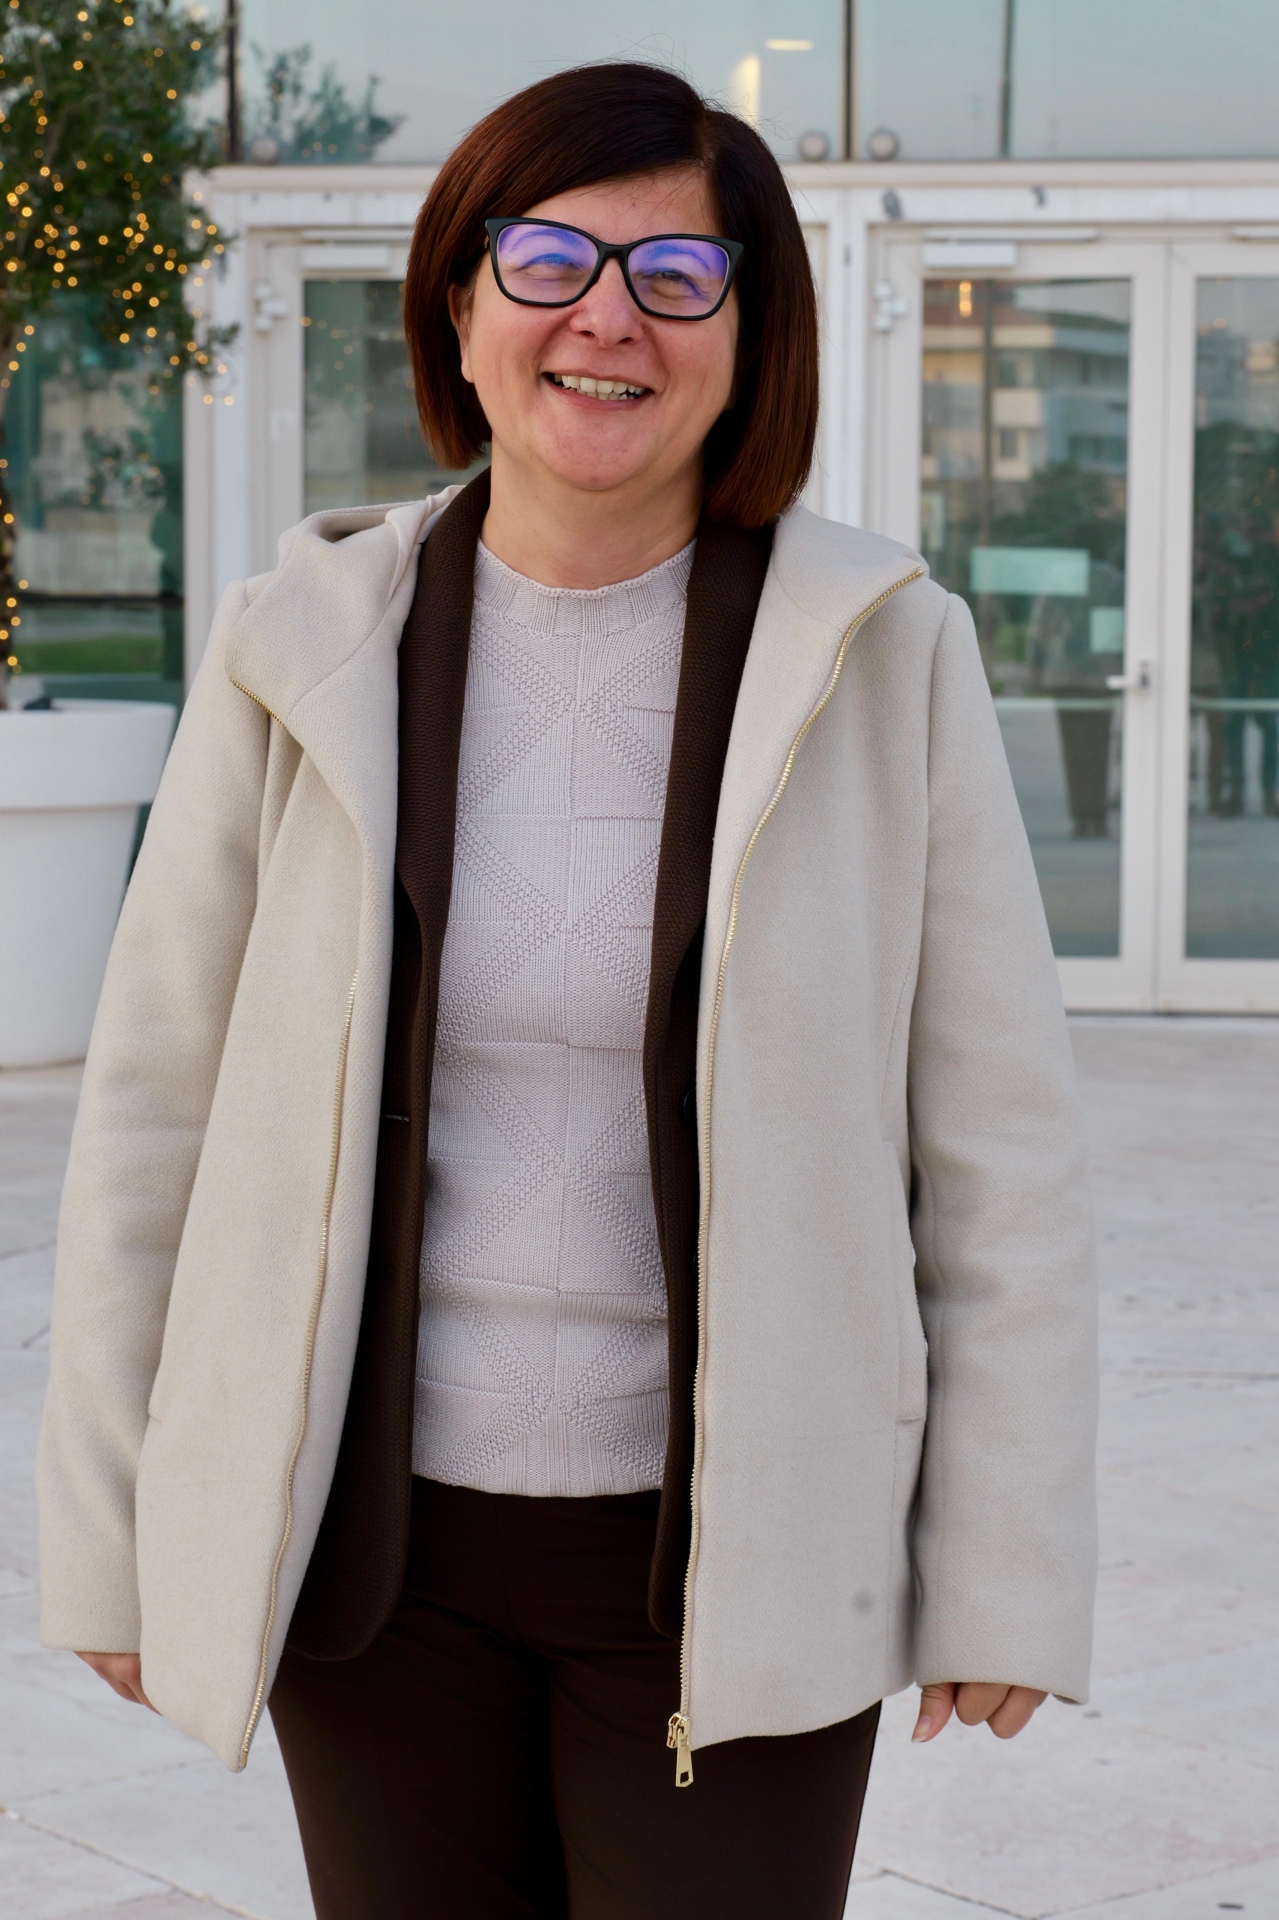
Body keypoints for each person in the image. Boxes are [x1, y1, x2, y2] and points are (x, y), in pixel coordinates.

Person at [38, 62, 1098, 1920]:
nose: (607, 318)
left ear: (748, 338)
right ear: (461, 305)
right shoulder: (305, 645)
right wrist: (116, 1530)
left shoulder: (882, 653)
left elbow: (999, 1156)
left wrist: (1002, 1566)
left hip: (739, 1558)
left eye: (676, 276)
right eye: (547, 261)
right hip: (372, 1562)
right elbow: (156, 1113)